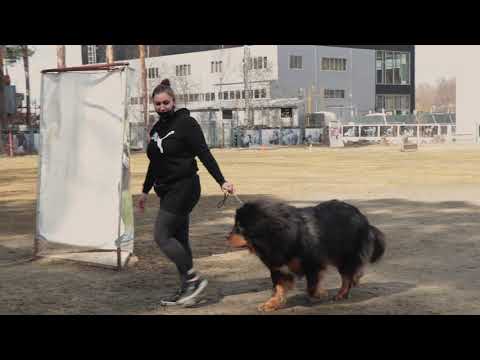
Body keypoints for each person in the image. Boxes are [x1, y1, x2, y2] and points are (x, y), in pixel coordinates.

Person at [137, 79, 235, 306]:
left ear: (174, 101)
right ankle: (188, 291)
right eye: (158, 104)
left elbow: (204, 154)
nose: (162, 107)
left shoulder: (187, 123)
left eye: (165, 103)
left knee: (161, 235)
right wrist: (144, 191)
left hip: (185, 187)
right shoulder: (157, 128)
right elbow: (156, 162)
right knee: (179, 239)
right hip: (167, 189)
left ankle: (193, 278)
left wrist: (222, 181)